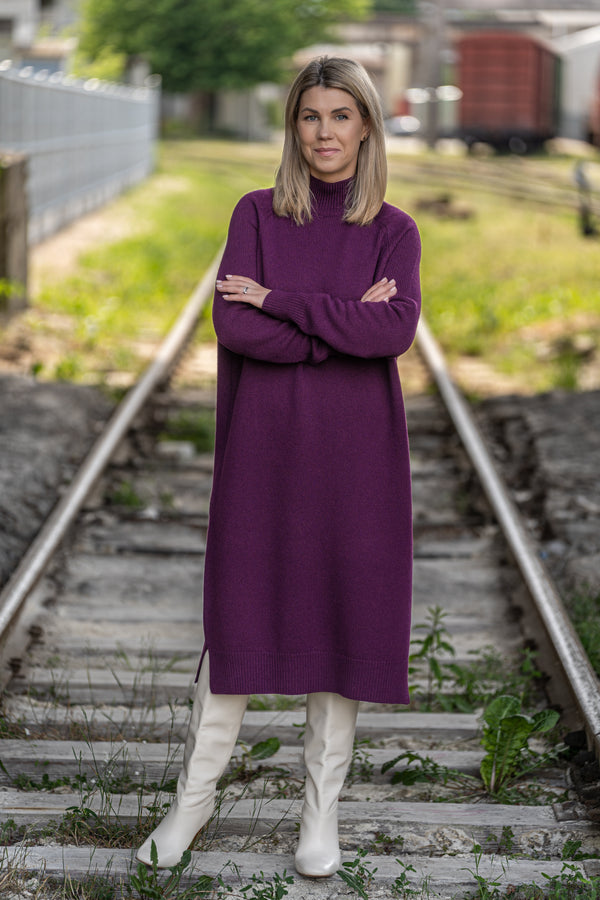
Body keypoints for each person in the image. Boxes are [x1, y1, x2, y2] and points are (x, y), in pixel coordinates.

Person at [137, 55, 421, 878]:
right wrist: (336, 324)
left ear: (366, 125)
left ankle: (319, 818)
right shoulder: (257, 213)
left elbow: (392, 332)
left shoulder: (394, 229)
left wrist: (283, 303)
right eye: (310, 116)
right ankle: (192, 805)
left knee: (341, 624)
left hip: (358, 461)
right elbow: (237, 332)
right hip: (264, 452)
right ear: (292, 127)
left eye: (341, 116)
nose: (325, 132)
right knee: (241, 617)